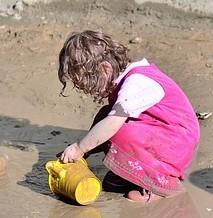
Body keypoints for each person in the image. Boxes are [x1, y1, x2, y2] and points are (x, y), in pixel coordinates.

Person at [57, 30, 200, 202]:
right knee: (106, 115)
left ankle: (161, 184)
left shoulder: (136, 82)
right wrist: (81, 154)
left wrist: (80, 147)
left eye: (89, 84)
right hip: (165, 136)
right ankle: (135, 174)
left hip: (176, 143)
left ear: (105, 68)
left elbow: (112, 124)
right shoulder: (128, 79)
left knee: (116, 128)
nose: (89, 91)